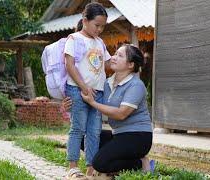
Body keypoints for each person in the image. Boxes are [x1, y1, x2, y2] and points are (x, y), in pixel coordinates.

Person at [80, 44, 154, 174]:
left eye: (120, 56)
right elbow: (89, 97)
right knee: (84, 138)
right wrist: (70, 103)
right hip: (118, 134)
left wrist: (92, 103)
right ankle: (126, 159)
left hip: (138, 137)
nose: (113, 58)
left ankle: (139, 163)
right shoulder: (107, 83)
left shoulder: (136, 85)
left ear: (130, 64)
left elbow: (121, 114)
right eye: (115, 54)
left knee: (99, 163)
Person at [64, 2, 111, 179]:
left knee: (94, 131)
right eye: (97, 25)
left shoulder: (100, 42)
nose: (100, 29)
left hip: (97, 93)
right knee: (78, 128)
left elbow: (107, 63)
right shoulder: (74, 39)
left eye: (102, 26)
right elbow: (69, 65)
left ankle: (91, 168)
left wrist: (129, 58)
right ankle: (73, 167)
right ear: (85, 20)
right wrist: (84, 87)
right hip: (78, 90)